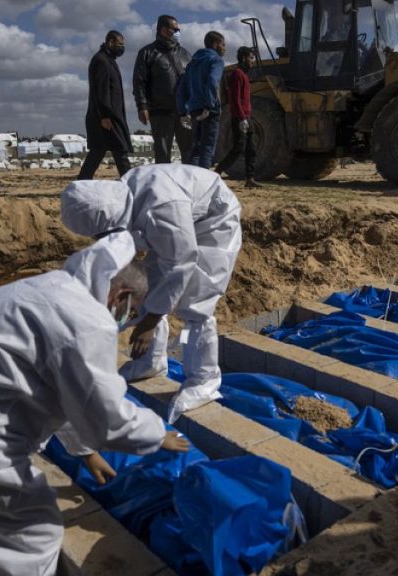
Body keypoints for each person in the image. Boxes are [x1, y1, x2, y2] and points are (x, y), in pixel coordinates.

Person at [0, 232, 191, 575]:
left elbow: (53, 387)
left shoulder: (42, 290)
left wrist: (84, 452)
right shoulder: (86, 320)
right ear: (121, 294)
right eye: (132, 312)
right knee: (33, 538)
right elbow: (106, 415)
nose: (127, 321)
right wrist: (156, 434)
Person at [61, 164, 242, 424]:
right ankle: (151, 361)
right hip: (180, 224)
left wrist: (150, 321)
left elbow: (182, 261)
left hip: (213, 221)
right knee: (148, 286)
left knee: (194, 305)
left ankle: (204, 380)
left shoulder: (161, 207)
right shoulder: (119, 198)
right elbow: (129, 265)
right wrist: (116, 315)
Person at [133, 15, 193, 164]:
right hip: (160, 112)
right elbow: (139, 82)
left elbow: (192, 81)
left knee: (189, 151)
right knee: (162, 153)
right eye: (175, 29)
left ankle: (188, 185)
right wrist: (142, 106)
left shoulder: (185, 54)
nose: (178, 32)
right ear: (164, 30)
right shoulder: (147, 53)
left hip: (184, 113)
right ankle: (162, 186)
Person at [79, 30, 133, 180]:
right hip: (107, 117)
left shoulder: (108, 60)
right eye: (119, 44)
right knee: (119, 150)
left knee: (99, 151)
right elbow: (102, 91)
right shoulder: (102, 61)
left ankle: (82, 181)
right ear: (110, 42)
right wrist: (105, 116)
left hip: (108, 116)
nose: (122, 48)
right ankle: (130, 184)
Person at [177, 31, 227, 170]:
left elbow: (182, 88)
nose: (225, 48)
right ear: (215, 44)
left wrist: (182, 112)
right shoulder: (216, 60)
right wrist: (209, 105)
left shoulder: (192, 63)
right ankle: (203, 184)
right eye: (223, 45)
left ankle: (193, 180)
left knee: (196, 148)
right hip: (209, 110)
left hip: (193, 109)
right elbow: (212, 81)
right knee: (207, 148)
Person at [214, 46, 259, 188]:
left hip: (247, 117)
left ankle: (249, 179)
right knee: (238, 148)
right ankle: (218, 171)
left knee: (251, 148)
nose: (253, 61)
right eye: (251, 58)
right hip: (240, 118)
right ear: (244, 58)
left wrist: (247, 117)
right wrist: (241, 118)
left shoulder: (244, 75)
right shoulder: (237, 74)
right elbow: (234, 99)